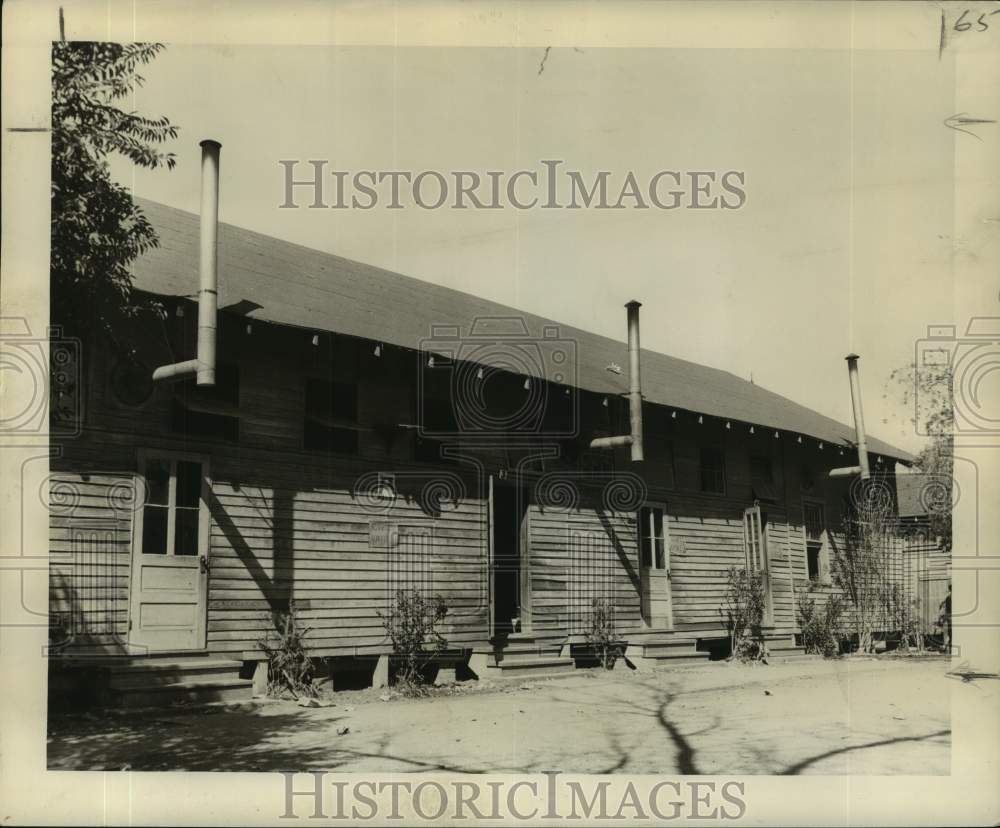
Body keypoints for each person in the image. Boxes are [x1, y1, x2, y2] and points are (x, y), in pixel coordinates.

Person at [938, 584, 952, 653]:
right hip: (949, 618)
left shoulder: (948, 598)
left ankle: (945, 647)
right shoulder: (948, 598)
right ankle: (946, 648)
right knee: (948, 634)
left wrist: (941, 618)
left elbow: (943, 608)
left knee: (947, 634)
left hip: (948, 617)